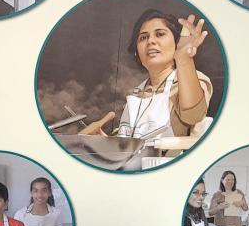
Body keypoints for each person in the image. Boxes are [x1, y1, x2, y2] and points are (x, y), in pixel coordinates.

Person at [80, 9, 213, 152]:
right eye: (143, 38)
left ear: (176, 43)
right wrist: (101, 141)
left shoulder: (192, 79)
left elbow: (193, 115)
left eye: (160, 34)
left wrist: (184, 59)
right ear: (137, 51)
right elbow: (127, 151)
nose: (150, 41)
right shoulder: (137, 92)